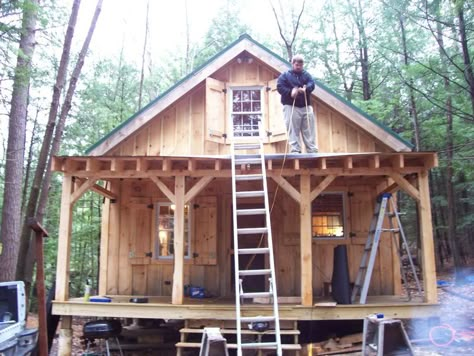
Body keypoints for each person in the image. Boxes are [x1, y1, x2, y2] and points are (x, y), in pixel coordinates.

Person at [277, 54, 318, 153]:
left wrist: (306, 88)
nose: (298, 66)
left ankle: (312, 150)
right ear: (292, 64)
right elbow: (280, 87)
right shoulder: (285, 75)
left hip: (306, 106)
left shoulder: (306, 75)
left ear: (303, 65)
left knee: (309, 128)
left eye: (300, 64)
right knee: (292, 129)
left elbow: (311, 84)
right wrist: (291, 92)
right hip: (291, 106)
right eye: (296, 64)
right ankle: (295, 150)